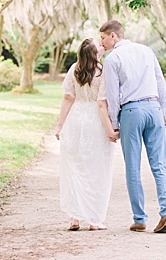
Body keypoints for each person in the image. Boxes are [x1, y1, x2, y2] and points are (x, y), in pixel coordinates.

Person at [99, 20, 166, 233]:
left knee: (133, 167)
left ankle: (140, 218)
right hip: (153, 108)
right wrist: (163, 110)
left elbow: (113, 96)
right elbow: (160, 82)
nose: (102, 42)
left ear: (113, 35)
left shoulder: (112, 58)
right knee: (160, 164)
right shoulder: (146, 50)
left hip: (132, 112)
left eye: (103, 38)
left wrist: (115, 125)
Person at [55, 38, 117, 231]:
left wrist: (60, 125)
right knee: (96, 170)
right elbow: (102, 104)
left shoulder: (74, 69)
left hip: (76, 120)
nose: (102, 44)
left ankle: (75, 218)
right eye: (99, 44)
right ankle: (93, 220)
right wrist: (110, 130)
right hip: (95, 122)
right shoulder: (103, 71)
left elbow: (68, 98)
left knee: (76, 168)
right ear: (94, 53)